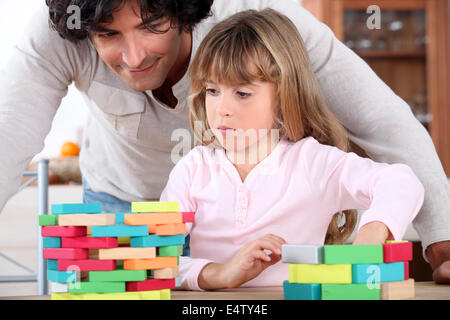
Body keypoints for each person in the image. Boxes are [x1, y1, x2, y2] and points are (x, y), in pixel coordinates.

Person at [0, 0, 448, 283]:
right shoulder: (65, 22)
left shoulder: (263, 24)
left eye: (151, 25)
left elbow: (381, 120)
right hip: (125, 208)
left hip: (248, 236)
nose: (133, 57)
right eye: (109, 35)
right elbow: (7, 135)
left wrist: (441, 235)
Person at [159, 8, 425, 290]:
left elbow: (402, 181)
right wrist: (221, 273)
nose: (222, 109)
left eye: (242, 93)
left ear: (284, 95)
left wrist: (370, 237)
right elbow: (155, 262)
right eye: (212, 91)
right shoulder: (192, 169)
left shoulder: (313, 163)